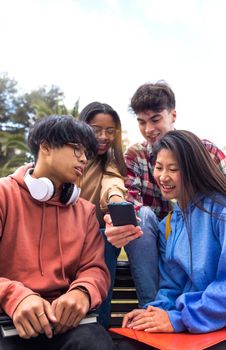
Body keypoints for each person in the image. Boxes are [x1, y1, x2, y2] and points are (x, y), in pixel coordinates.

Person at [104, 81, 226, 309]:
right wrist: (119, 225)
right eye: (142, 122)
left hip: (207, 248)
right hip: (159, 243)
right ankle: (153, 307)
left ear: (172, 115)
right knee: (142, 216)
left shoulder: (207, 153)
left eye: (155, 119)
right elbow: (129, 203)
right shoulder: (136, 155)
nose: (148, 129)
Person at [0, 115, 114, 349]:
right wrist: (15, 297)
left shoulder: (84, 211)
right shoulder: (3, 195)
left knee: (95, 343)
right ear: (46, 147)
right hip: (7, 319)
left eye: (87, 154)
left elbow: (95, 269)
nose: (83, 158)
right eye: (76, 149)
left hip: (66, 326)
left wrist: (82, 293)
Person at [122, 129, 226, 335]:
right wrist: (151, 312)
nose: (163, 177)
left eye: (173, 169)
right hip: (193, 324)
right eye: (159, 167)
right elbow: (172, 286)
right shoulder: (169, 224)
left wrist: (181, 318)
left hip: (220, 325)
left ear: (194, 169)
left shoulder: (223, 211)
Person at [77, 102, 128, 329]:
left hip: (94, 240)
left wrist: (117, 202)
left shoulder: (110, 162)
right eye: (96, 129)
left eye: (110, 131)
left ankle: (99, 325)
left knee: (103, 237)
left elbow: (113, 183)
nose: (103, 136)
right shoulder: (66, 159)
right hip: (61, 234)